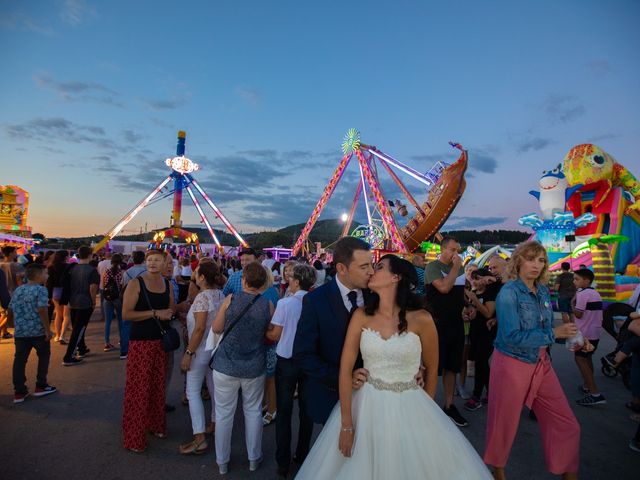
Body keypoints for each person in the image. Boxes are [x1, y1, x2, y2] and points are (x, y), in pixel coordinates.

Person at [295, 255, 492, 479]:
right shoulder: (361, 316)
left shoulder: (422, 319)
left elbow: (431, 369)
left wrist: (425, 418)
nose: (371, 271)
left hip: (411, 404)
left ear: (395, 277)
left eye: (378, 267)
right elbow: (345, 367)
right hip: (366, 404)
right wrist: (347, 425)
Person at [484, 241, 585, 480]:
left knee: (567, 424)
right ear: (518, 261)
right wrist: (554, 334)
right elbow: (511, 337)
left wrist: (573, 336)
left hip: (541, 363)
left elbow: (547, 326)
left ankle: (567, 471)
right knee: (503, 427)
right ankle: (497, 472)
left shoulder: (541, 290)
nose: (536, 265)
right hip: (511, 364)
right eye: (530, 259)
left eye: (541, 261)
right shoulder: (509, 292)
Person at [292, 236, 374, 426]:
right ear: (341, 269)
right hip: (331, 396)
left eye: (371, 265)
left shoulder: (376, 296)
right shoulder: (316, 301)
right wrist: (343, 377)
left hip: (373, 396)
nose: (371, 272)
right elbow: (303, 354)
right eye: (363, 267)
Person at [210, 262, 273, 475]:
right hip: (254, 365)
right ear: (263, 282)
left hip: (226, 365)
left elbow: (217, 328)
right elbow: (270, 334)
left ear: (244, 280)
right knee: (253, 411)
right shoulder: (267, 305)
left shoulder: (231, 299)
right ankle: (254, 457)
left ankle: (222, 461)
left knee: (224, 413)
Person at [121, 249, 175, 453]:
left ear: (165, 263)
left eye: (157, 260)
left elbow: (170, 310)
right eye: (149, 260)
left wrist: (176, 310)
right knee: (139, 389)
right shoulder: (136, 283)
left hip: (160, 343)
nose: (152, 263)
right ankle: (134, 435)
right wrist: (154, 313)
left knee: (157, 387)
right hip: (141, 342)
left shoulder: (167, 284)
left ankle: (155, 424)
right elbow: (126, 314)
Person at [266, 263, 316, 478]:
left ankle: (283, 461)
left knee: (284, 412)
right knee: (306, 412)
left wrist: (265, 330)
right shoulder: (316, 302)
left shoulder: (285, 304)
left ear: (296, 281)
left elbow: (275, 335)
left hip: (286, 360)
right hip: (310, 361)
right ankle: (302, 454)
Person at [178, 262, 226, 455]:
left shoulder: (202, 298)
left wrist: (188, 353)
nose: (194, 276)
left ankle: (199, 437)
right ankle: (214, 422)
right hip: (214, 348)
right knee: (213, 388)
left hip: (199, 350)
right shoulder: (220, 295)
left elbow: (198, 328)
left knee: (192, 391)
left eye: (196, 274)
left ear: (202, 278)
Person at [424, 236, 469, 427]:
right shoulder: (432, 267)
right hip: (436, 325)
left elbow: (461, 293)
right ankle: (426, 405)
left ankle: (449, 405)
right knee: (432, 366)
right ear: (442, 249)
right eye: (452, 250)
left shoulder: (460, 269)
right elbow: (443, 288)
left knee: (452, 366)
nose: (455, 254)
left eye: (458, 250)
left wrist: (468, 306)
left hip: (456, 323)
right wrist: (455, 268)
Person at [9, 264, 57, 403]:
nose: (47, 276)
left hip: (21, 332)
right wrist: (48, 330)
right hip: (37, 331)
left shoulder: (19, 290)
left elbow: (10, 309)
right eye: (45, 273)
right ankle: (41, 386)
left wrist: (11, 324)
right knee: (43, 356)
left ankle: (19, 391)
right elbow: (42, 310)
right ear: (38, 275)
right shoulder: (41, 290)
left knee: (19, 360)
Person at [464, 268, 499, 412]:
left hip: (488, 332)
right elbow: (474, 313)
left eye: (479, 278)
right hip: (475, 332)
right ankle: (492, 393)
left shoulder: (491, 292)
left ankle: (476, 395)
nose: (477, 282)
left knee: (481, 363)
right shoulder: (474, 294)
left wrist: (475, 300)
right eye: (475, 279)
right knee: (482, 363)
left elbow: (488, 313)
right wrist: (468, 314)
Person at [572, 268, 606, 406]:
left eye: (577, 279)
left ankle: (595, 393)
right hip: (595, 333)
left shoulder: (583, 294)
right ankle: (587, 386)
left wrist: (572, 305)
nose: (574, 281)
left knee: (580, 359)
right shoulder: (595, 293)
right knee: (587, 358)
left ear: (586, 280)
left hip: (584, 333)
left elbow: (579, 314)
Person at [62, 246, 99, 366]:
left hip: (72, 301)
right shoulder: (92, 270)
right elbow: (93, 288)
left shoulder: (72, 268)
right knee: (79, 329)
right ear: (90, 255)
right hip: (85, 302)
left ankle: (82, 348)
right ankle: (68, 356)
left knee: (77, 327)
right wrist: (93, 302)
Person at [260, 267, 280, 426]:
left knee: (270, 378)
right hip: (271, 342)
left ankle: (272, 409)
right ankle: (270, 405)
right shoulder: (274, 291)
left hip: (266, 340)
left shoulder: (265, 294)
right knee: (269, 378)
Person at [102, 253, 125, 352]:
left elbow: (104, 285)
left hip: (107, 299)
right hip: (118, 298)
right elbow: (122, 286)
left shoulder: (106, 272)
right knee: (120, 320)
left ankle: (107, 343)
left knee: (108, 321)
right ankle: (122, 340)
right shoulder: (121, 273)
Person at [47, 250, 71, 344]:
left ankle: (57, 335)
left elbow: (49, 282)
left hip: (55, 292)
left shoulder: (51, 267)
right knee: (66, 315)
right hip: (66, 291)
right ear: (65, 257)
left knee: (58, 314)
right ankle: (63, 336)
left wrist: (49, 295)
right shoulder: (68, 267)